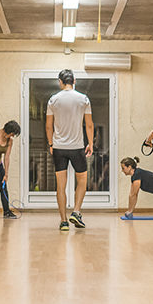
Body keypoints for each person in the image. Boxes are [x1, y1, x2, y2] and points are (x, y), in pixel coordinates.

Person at [46, 69, 94, 231]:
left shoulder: (53, 100)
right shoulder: (83, 99)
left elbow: (48, 126)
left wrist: (51, 144)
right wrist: (90, 143)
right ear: (74, 81)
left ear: (60, 82)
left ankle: (64, 221)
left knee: (61, 186)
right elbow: (89, 125)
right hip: (77, 147)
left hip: (59, 148)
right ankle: (76, 211)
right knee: (82, 181)